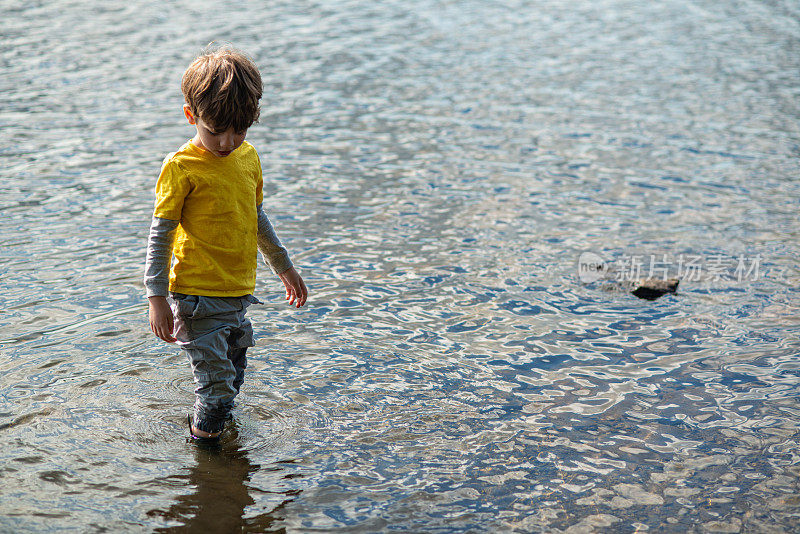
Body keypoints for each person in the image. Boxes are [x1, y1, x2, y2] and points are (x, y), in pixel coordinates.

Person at [144, 46, 307, 445]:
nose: (226, 142)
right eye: (215, 131)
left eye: (239, 130)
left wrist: (283, 266)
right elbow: (161, 234)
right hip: (196, 296)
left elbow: (256, 218)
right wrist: (156, 297)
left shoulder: (247, 157)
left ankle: (221, 474)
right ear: (191, 116)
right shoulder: (182, 167)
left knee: (232, 381)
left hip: (238, 294)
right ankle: (208, 460)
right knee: (216, 391)